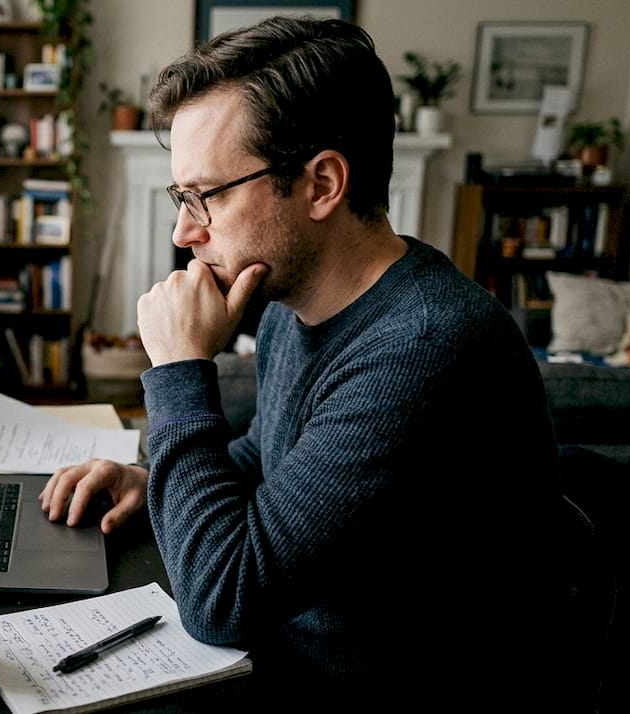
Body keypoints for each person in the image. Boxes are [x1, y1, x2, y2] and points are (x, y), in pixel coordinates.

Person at [40, 16, 581, 709]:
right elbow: (269, 464)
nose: (184, 230)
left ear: (322, 183)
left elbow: (221, 599)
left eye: (207, 195)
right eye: (182, 199)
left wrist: (179, 371)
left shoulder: (423, 348)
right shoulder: (299, 309)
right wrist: (148, 484)